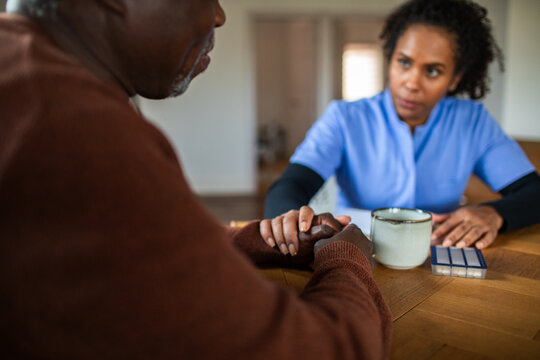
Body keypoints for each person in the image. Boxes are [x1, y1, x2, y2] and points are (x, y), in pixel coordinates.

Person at [0, 0, 392, 359]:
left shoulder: (24, 70)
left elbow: (133, 241)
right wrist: (346, 258)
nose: (219, 15)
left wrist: (258, 240)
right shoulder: (72, 127)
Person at [263, 0, 540, 257]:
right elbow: (291, 184)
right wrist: (288, 216)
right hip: (358, 253)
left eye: (432, 71)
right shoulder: (344, 117)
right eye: (404, 62)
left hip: (436, 258)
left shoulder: (473, 122)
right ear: (390, 59)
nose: (411, 82)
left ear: (455, 78)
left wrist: (494, 213)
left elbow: (534, 193)